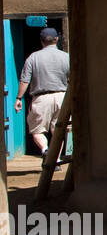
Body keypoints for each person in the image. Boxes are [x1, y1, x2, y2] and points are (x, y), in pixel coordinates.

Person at [15, 27, 70, 159]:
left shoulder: (33, 57)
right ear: (56, 39)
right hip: (62, 96)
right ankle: (55, 160)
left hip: (41, 98)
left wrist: (18, 98)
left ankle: (45, 150)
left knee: (37, 130)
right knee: (58, 131)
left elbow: (24, 81)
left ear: (41, 40)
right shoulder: (66, 57)